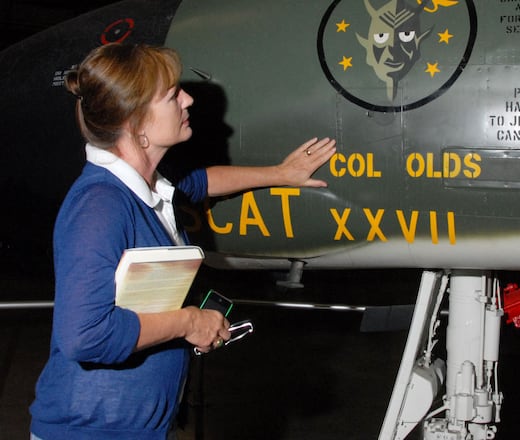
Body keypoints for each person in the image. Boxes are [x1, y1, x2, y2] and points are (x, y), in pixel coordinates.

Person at [28, 43, 336, 440]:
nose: (188, 98)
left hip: (135, 426)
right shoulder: (100, 206)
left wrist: (282, 173)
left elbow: (202, 181)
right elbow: (86, 335)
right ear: (137, 123)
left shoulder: (152, 186)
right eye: (173, 95)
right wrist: (188, 321)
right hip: (91, 429)